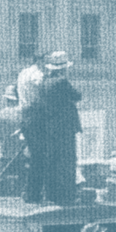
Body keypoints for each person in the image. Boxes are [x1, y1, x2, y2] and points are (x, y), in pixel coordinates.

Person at [22, 53, 83, 207]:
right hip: (64, 127)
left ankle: (52, 193)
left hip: (50, 127)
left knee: (53, 161)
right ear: (63, 69)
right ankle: (67, 195)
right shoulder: (62, 81)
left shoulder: (44, 82)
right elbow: (77, 95)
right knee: (67, 161)